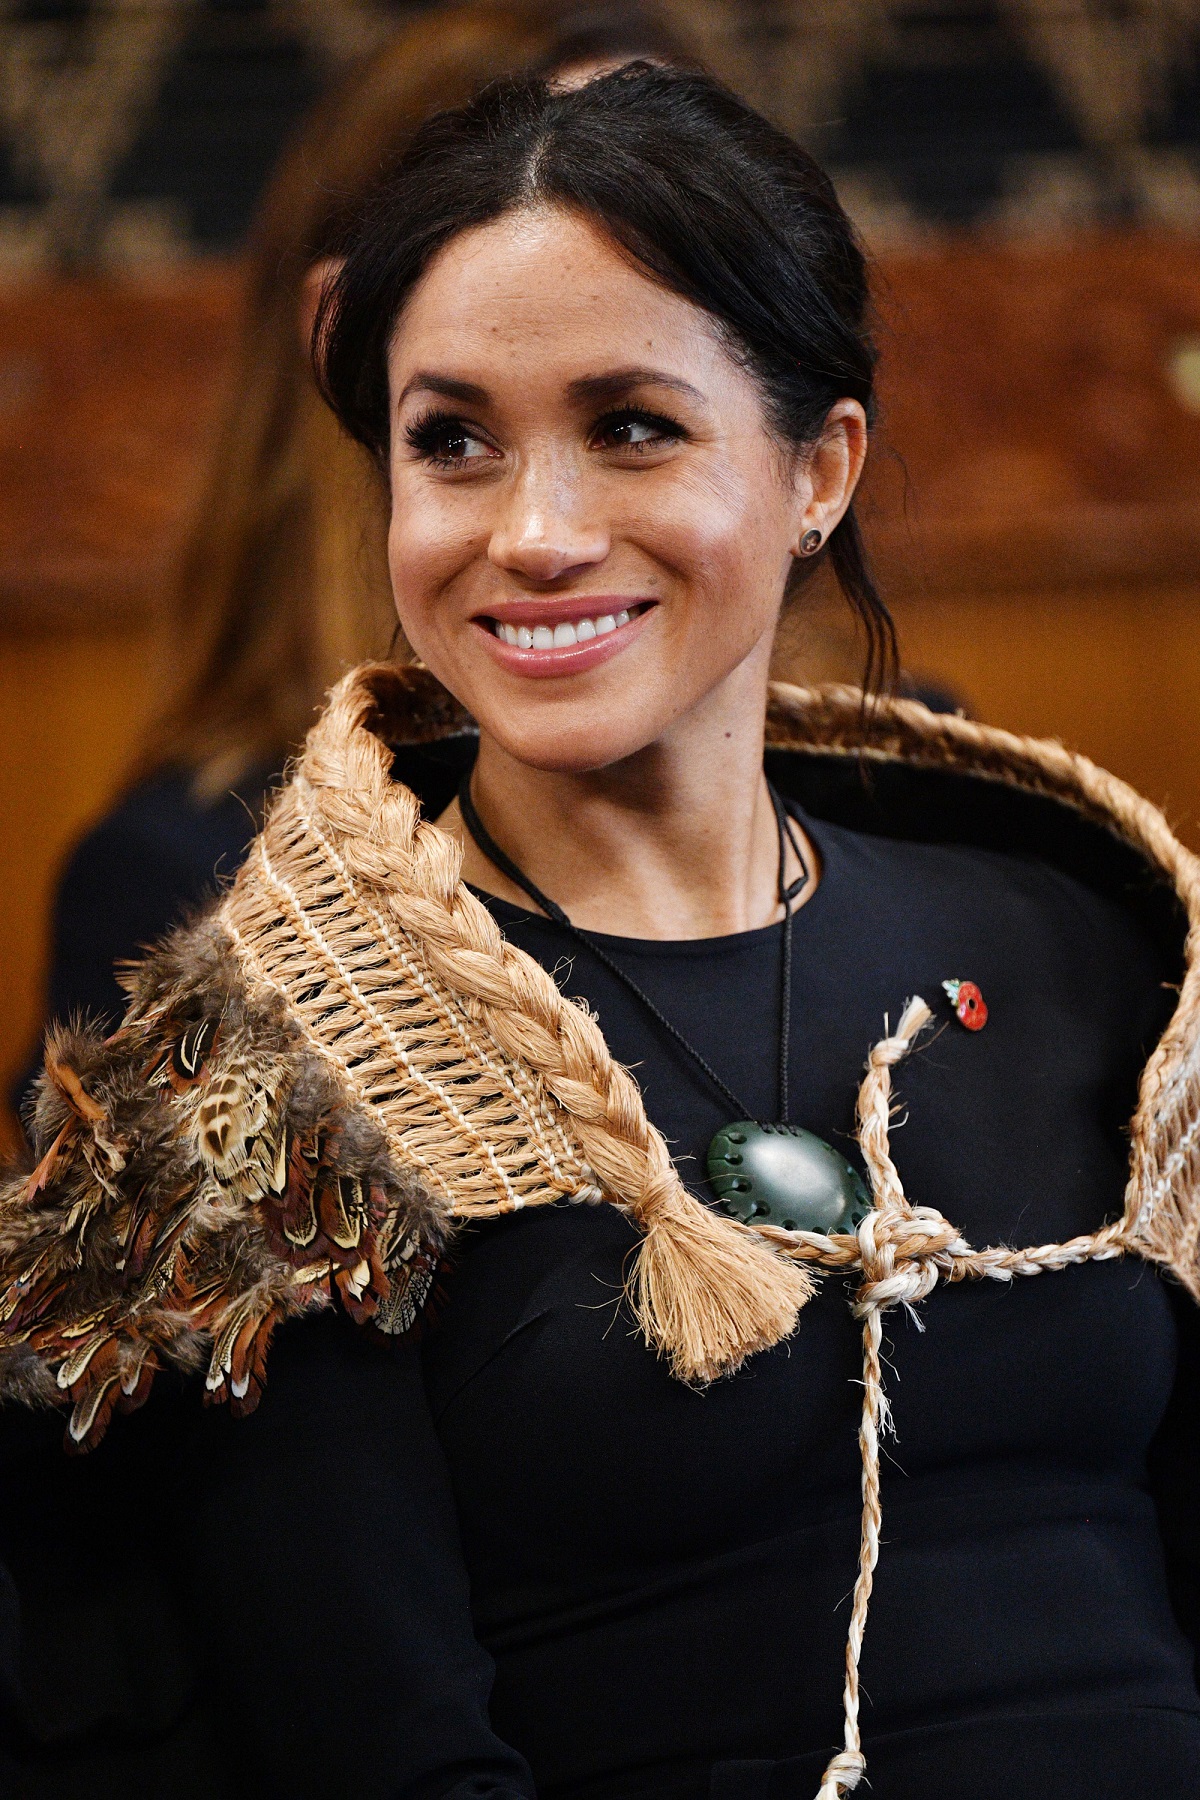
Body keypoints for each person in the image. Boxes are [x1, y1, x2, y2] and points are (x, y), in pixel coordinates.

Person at [3, 61, 1199, 1800]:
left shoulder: (1083, 927)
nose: (535, 533)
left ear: (819, 468)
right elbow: (385, 1755)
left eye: (634, 425)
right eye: (453, 443)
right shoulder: (269, 1077)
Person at [13, 0, 694, 1107]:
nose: (548, 533)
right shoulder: (191, 883)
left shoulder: (934, 818)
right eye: (459, 435)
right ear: (351, 352)